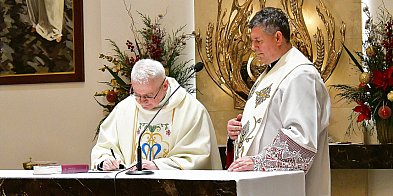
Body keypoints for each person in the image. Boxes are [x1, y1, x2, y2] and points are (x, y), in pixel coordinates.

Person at [226, 7, 331, 196]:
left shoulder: (300, 74)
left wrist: (258, 162)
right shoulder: (268, 75)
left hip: (284, 186)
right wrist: (240, 129)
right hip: (263, 184)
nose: (253, 47)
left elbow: (301, 138)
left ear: (278, 37)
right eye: (252, 41)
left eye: (258, 41)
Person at [91, 59, 222, 171]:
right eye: (136, 94)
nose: (142, 101)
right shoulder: (124, 109)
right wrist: (106, 160)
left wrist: (158, 166)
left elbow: (197, 156)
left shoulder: (191, 110)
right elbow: (105, 146)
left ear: (164, 85)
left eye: (148, 95)